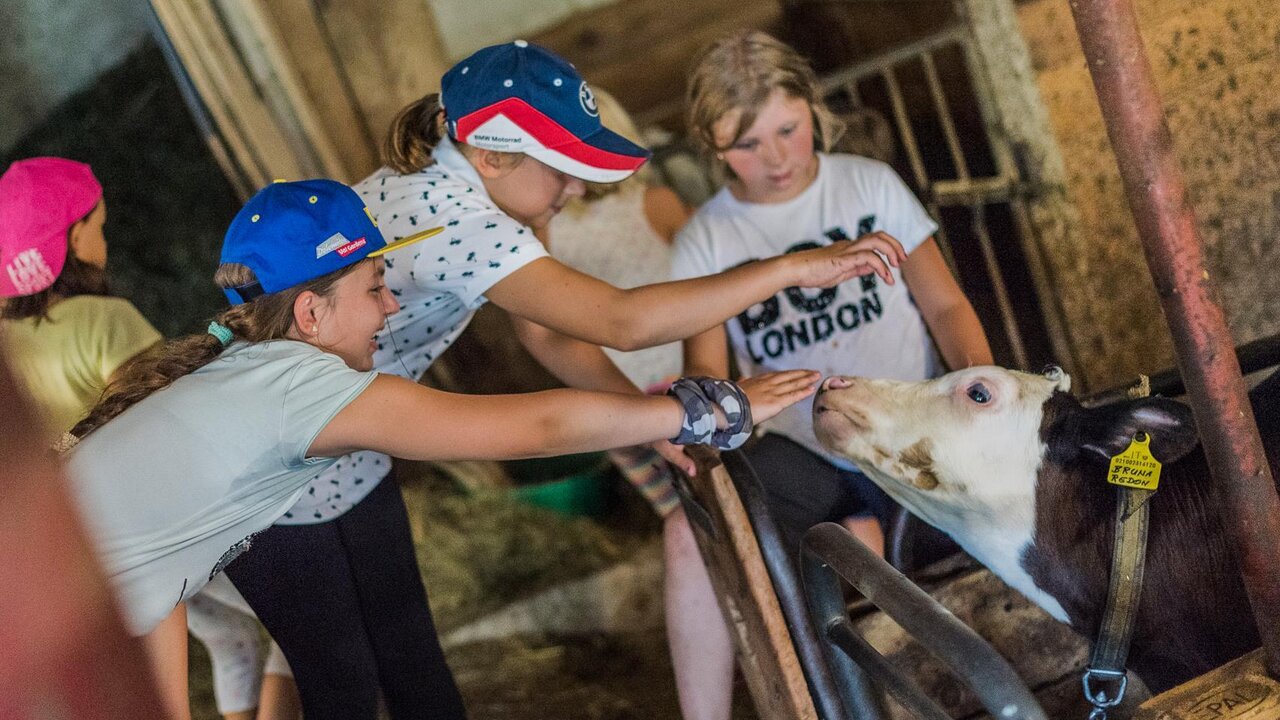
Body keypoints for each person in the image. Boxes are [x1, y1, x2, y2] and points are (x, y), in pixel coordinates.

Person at [221, 40, 905, 720]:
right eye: (563, 168)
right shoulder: (460, 220)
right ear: (492, 156)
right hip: (275, 464)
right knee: (340, 679)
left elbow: (546, 333)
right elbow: (623, 321)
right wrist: (790, 269)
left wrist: (651, 427)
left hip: (350, 448)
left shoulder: (472, 189)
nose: (578, 188)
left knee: (407, 657)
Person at [60, 177, 822, 720]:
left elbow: (150, 590)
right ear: (310, 314)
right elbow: (535, 428)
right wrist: (703, 412)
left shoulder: (239, 376)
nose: (392, 306)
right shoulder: (298, 386)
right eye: (374, 288)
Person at [668, 31, 994, 720]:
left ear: (813, 109)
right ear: (712, 147)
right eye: (746, 144)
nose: (776, 158)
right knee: (693, 534)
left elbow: (944, 304)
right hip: (805, 446)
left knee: (951, 527)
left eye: (788, 129)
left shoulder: (867, 186)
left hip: (909, 426)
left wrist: (977, 392)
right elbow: (706, 371)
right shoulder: (707, 239)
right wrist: (706, 417)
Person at [545, 86, 689, 516]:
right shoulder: (659, 203)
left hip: (610, 398)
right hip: (683, 379)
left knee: (676, 508)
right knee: (720, 493)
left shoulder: (546, 232)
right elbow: (703, 282)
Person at [0, 157, 161, 447]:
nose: (105, 243)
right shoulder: (105, 320)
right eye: (100, 227)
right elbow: (158, 421)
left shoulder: (6, 347)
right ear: (75, 239)